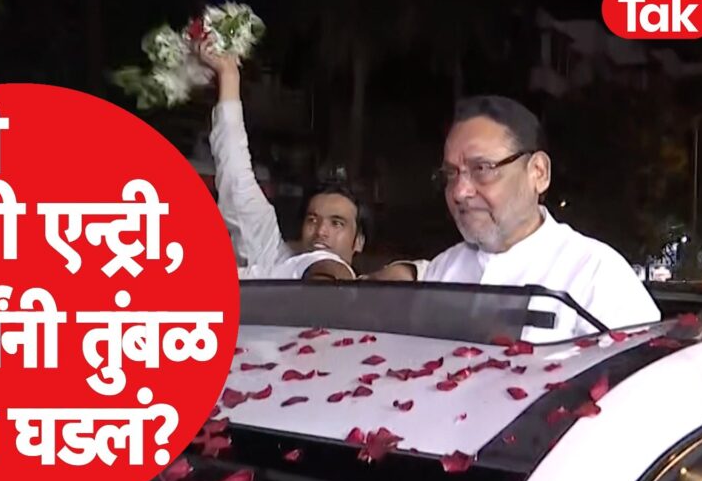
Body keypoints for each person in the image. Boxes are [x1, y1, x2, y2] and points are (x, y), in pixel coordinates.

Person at [424, 95, 661, 341]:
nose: (460, 192)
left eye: (482, 168)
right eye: (451, 174)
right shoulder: (442, 271)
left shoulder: (598, 275)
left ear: (538, 173)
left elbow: (642, 363)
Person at [200, 41, 399, 280]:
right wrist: (229, 75)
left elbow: (330, 271)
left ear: (358, 242)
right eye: (312, 220)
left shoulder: (365, 293)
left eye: (337, 223)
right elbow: (235, 177)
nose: (321, 231)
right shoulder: (271, 255)